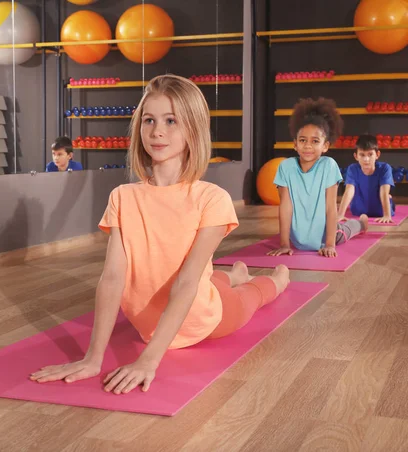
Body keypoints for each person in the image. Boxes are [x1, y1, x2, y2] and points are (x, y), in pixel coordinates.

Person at [30, 74, 290, 394]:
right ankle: (233, 273)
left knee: (251, 296)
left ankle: (277, 280)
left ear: (193, 129)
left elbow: (186, 282)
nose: (157, 131)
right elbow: (112, 278)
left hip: (203, 319)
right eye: (149, 120)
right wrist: (93, 358)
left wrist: (149, 360)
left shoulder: (212, 198)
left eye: (171, 120)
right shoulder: (123, 197)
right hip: (156, 319)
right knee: (212, 279)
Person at [268, 98, 368, 259]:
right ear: (295, 144)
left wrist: (329, 244)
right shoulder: (285, 167)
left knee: (345, 230)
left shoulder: (329, 166)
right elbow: (285, 207)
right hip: (299, 239)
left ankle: (362, 223)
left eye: (315, 141)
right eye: (303, 140)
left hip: (328, 234)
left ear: (325, 146)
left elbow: (330, 207)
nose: (308, 146)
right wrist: (284, 244)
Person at [337, 134, 395, 224]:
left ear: (377, 154)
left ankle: (389, 199)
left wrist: (387, 215)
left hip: (379, 211)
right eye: (362, 155)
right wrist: (340, 214)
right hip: (358, 210)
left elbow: (384, 192)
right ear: (356, 156)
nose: (366, 159)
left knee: (387, 195)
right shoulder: (352, 169)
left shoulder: (385, 168)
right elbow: (349, 191)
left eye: (370, 154)